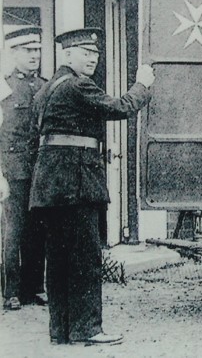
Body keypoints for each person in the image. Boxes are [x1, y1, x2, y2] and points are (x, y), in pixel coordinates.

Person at [29, 28, 155, 345]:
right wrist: (143, 84)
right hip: (77, 184)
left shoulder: (45, 90)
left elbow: (36, 140)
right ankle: (87, 328)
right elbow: (122, 107)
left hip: (50, 186)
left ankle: (60, 330)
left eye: (95, 54)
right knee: (85, 258)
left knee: (57, 260)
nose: (92, 58)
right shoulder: (77, 85)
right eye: (85, 53)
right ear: (67, 55)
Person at [1, 26, 47, 311]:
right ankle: (11, 292)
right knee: (12, 232)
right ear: (13, 52)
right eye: (28, 51)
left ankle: (34, 288)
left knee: (37, 230)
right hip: (12, 170)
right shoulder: (4, 87)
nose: (34, 56)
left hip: (39, 170)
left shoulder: (44, 85)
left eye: (37, 51)